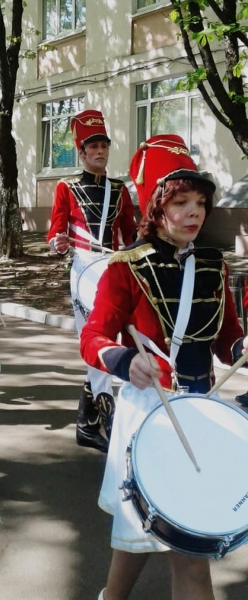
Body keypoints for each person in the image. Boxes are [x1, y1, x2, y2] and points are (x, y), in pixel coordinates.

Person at [80, 134, 248, 600]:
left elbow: (226, 339)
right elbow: (92, 338)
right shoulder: (125, 267)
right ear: (156, 207)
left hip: (201, 410)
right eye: (181, 202)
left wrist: (242, 348)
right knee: (149, 535)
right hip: (148, 412)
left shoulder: (213, 265)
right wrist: (124, 359)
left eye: (200, 203)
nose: (195, 212)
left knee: (172, 540)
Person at [47, 109, 136, 453]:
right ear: (81, 152)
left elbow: (129, 234)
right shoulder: (66, 188)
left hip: (113, 266)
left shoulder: (119, 189)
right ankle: (109, 423)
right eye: (93, 147)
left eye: (103, 146)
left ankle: (86, 425)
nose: (100, 151)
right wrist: (57, 243)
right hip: (84, 267)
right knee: (100, 339)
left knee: (112, 338)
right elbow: (55, 232)